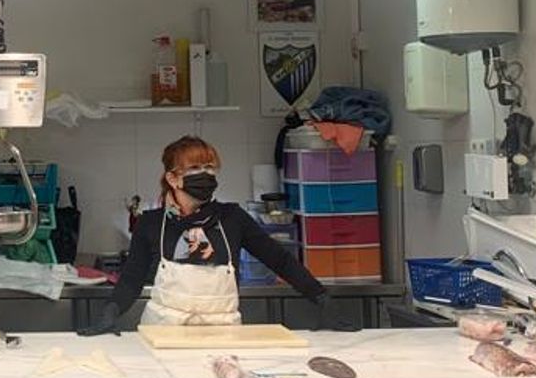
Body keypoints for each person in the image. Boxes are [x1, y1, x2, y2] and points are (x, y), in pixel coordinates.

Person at [79, 135, 357, 336]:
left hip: (223, 336)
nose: (207, 175)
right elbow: (131, 280)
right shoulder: (151, 224)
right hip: (164, 336)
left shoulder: (231, 218)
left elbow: (280, 260)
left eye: (211, 168)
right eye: (196, 169)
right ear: (173, 179)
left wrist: (321, 298)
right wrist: (111, 312)